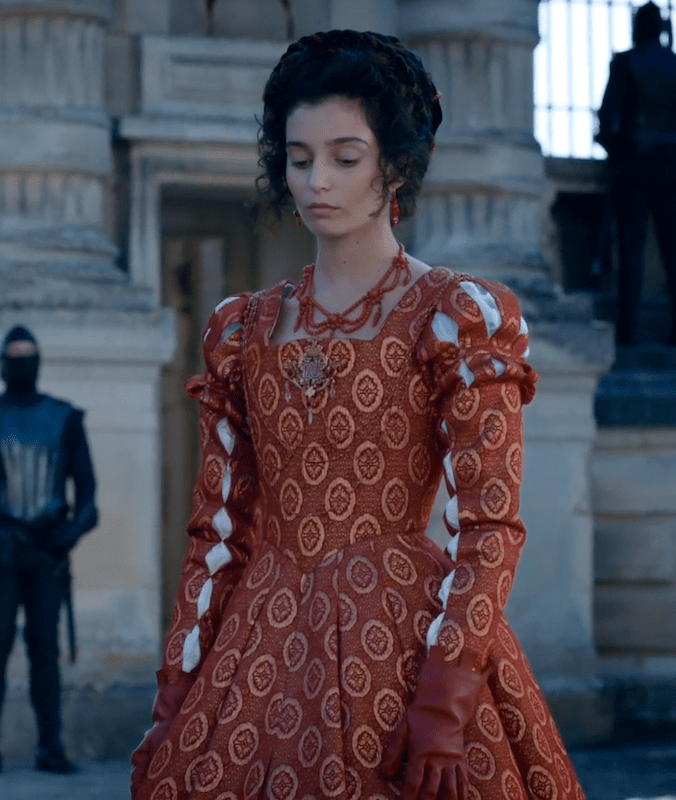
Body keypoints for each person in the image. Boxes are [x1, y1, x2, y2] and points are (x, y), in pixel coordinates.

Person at [131, 29, 586, 800]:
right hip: (260, 646)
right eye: (300, 158)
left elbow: (489, 526)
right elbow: (216, 531)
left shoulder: (454, 315)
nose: (317, 182)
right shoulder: (241, 329)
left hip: (406, 637)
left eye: (346, 158)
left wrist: (446, 699)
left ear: (394, 165)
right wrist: (176, 695)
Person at [0, 326, 98, 774]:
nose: (22, 362)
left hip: (47, 557)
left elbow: (89, 499)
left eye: (28, 354)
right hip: (1, 554)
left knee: (45, 651)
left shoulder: (65, 418)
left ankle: (50, 745)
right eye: (14, 355)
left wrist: (64, 536)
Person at [597, 1, 676, 346]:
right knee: (672, 250)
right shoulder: (674, 66)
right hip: (670, 166)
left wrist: (615, 148)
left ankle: (627, 329)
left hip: (634, 165)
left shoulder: (625, 62)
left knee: (631, 250)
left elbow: (608, 114)